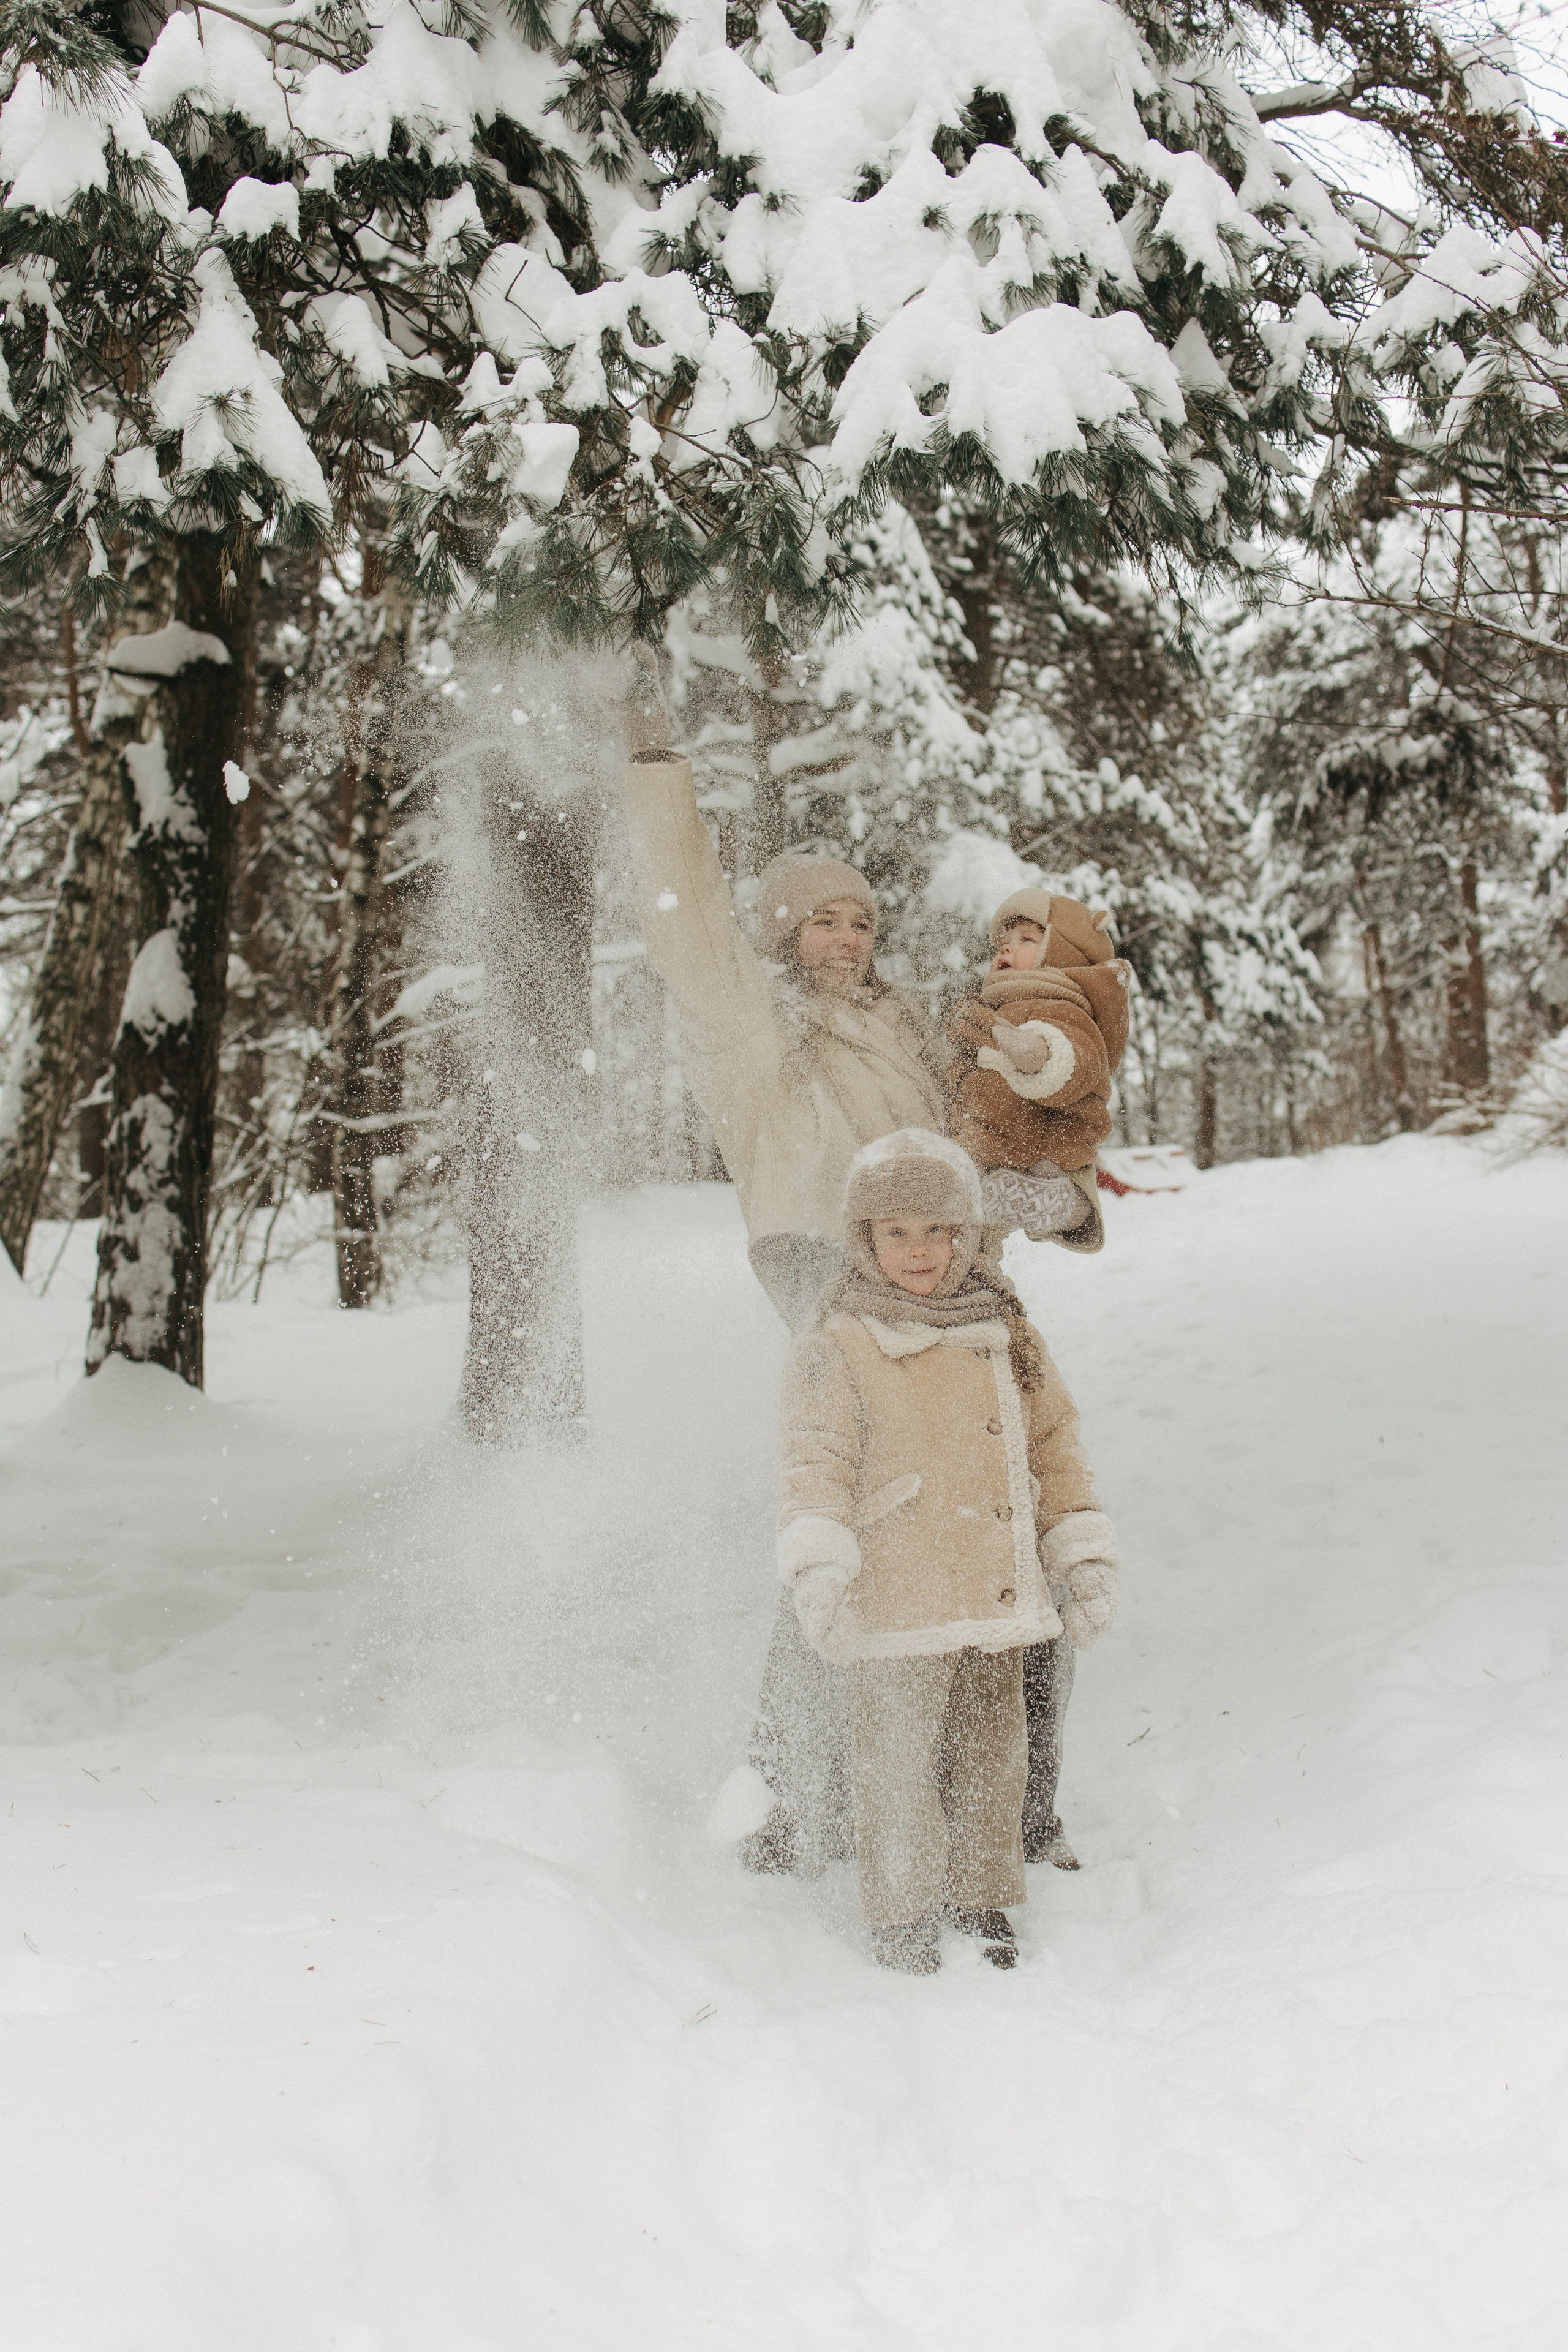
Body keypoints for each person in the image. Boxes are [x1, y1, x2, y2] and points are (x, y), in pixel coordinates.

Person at [776, 1130, 1119, 1973]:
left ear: (967, 1236)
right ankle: (900, 1914)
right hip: (899, 1595)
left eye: (938, 1232)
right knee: (895, 1769)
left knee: (991, 1757)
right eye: (897, 1233)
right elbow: (814, 1461)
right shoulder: (841, 1341)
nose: (920, 1252)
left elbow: (1056, 1449)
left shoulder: (1007, 1332)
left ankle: (981, 1898)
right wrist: (822, 1566)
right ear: (865, 1240)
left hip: (997, 1591)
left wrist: (1078, 1554)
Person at [946, 888, 1131, 1252]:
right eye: (1003, 941)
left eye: (1026, 939)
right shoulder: (992, 1010)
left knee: (966, 1208)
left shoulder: (1062, 1007)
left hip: (1045, 1155)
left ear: (1061, 952)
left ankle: (1057, 1202)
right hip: (990, 1152)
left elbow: (1083, 1063)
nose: (1006, 948)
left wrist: (1041, 1054)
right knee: (967, 1246)